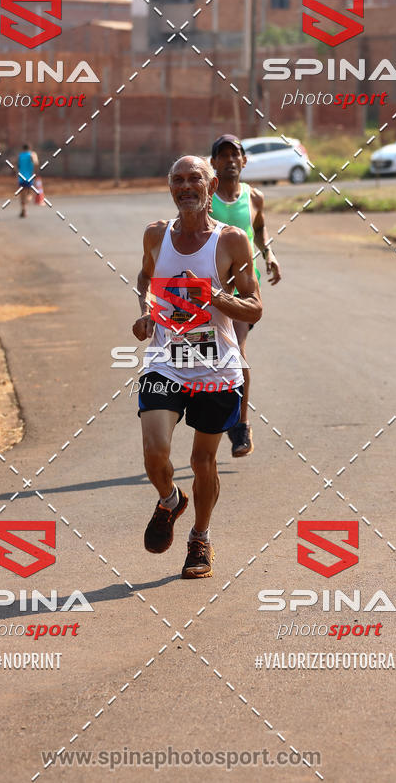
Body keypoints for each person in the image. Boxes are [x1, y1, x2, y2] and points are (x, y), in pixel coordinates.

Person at [133, 155, 262, 578]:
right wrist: (147, 311)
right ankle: (170, 499)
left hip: (215, 367)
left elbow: (254, 306)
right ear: (170, 188)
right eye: (178, 180)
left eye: (194, 179)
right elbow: (145, 277)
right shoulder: (156, 234)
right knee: (155, 453)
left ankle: (200, 538)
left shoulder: (232, 241)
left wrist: (215, 297)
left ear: (210, 186)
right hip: (166, 361)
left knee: (203, 461)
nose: (186, 186)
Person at [209, 133, 281, 458]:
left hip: (242, 289)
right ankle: (212, 419)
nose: (230, 161)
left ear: (244, 161)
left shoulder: (255, 197)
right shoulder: (205, 196)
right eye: (223, 156)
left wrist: (270, 254)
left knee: (237, 351)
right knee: (212, 356)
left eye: (235, 155)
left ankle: (241, 426)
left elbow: (261, 227)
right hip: (207, 291)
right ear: (213, 163)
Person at [17, 143, 39, 217]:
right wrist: (35, 173)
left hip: (21, 177)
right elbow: (36, 163)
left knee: (22, 195)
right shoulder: (32, 154)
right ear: (30, 148)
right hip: (29, 177)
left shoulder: (20, 155)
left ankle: (23, 209)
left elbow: (17, 165)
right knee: (30, 194)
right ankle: (26, 205)